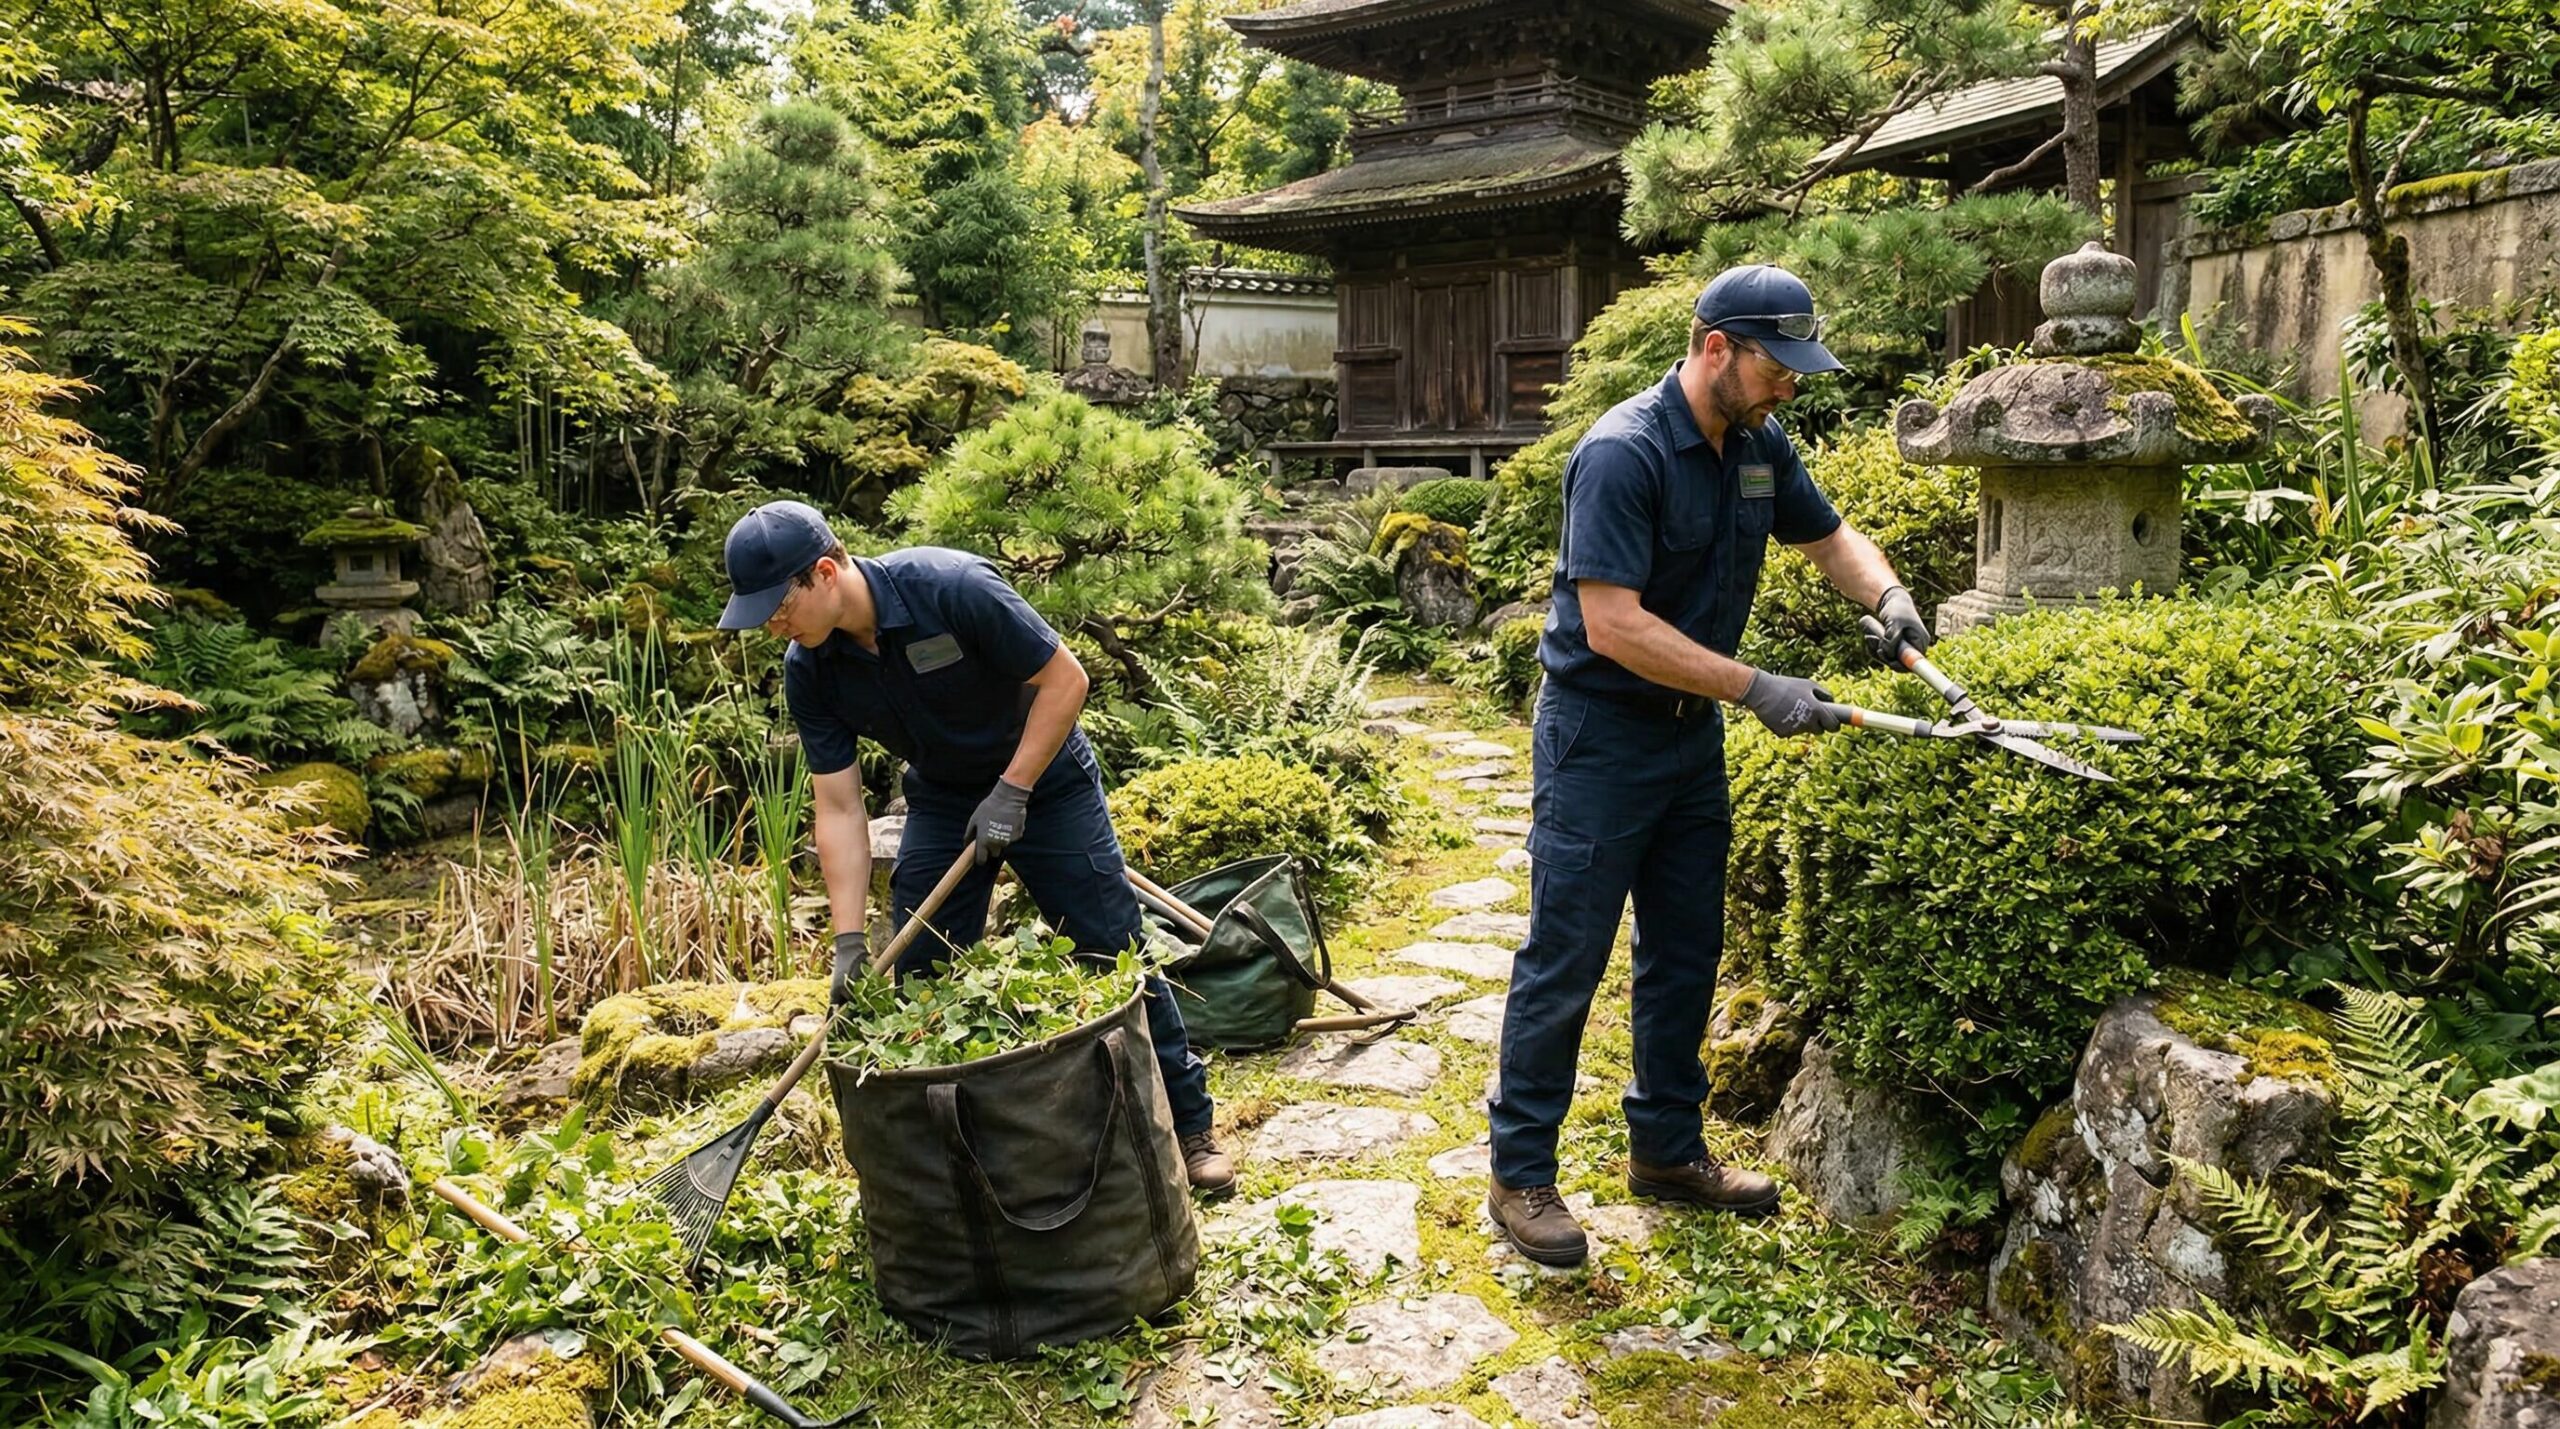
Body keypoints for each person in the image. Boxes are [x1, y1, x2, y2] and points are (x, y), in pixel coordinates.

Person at [1484, 265, 1933, 1266]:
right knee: (1567, 955)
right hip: (1599, 736)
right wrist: (1755, 686)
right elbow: (1612, 625)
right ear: (1715, 347)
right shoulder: (1624, 452)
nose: (1791, 386)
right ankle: (1520, 1173)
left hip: (1689, 740)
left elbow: (1830, 537)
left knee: (1686, 948)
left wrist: (1888, 597)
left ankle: (1666, 1150)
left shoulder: (1759, 444)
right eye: (1778, 366)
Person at [714, 501, 1236, 1196]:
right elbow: (838, 807)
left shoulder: (951, 587)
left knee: (1112, 945)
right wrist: (847, 942)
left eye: (778, 607)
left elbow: (1067, 679)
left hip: (1045, 781)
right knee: (925, 969)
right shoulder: (811, 669)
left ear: (826, 573)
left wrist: (1013, 790)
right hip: (944, 798)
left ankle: (1191, 1128)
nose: (772, 626)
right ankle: (951, 1157)